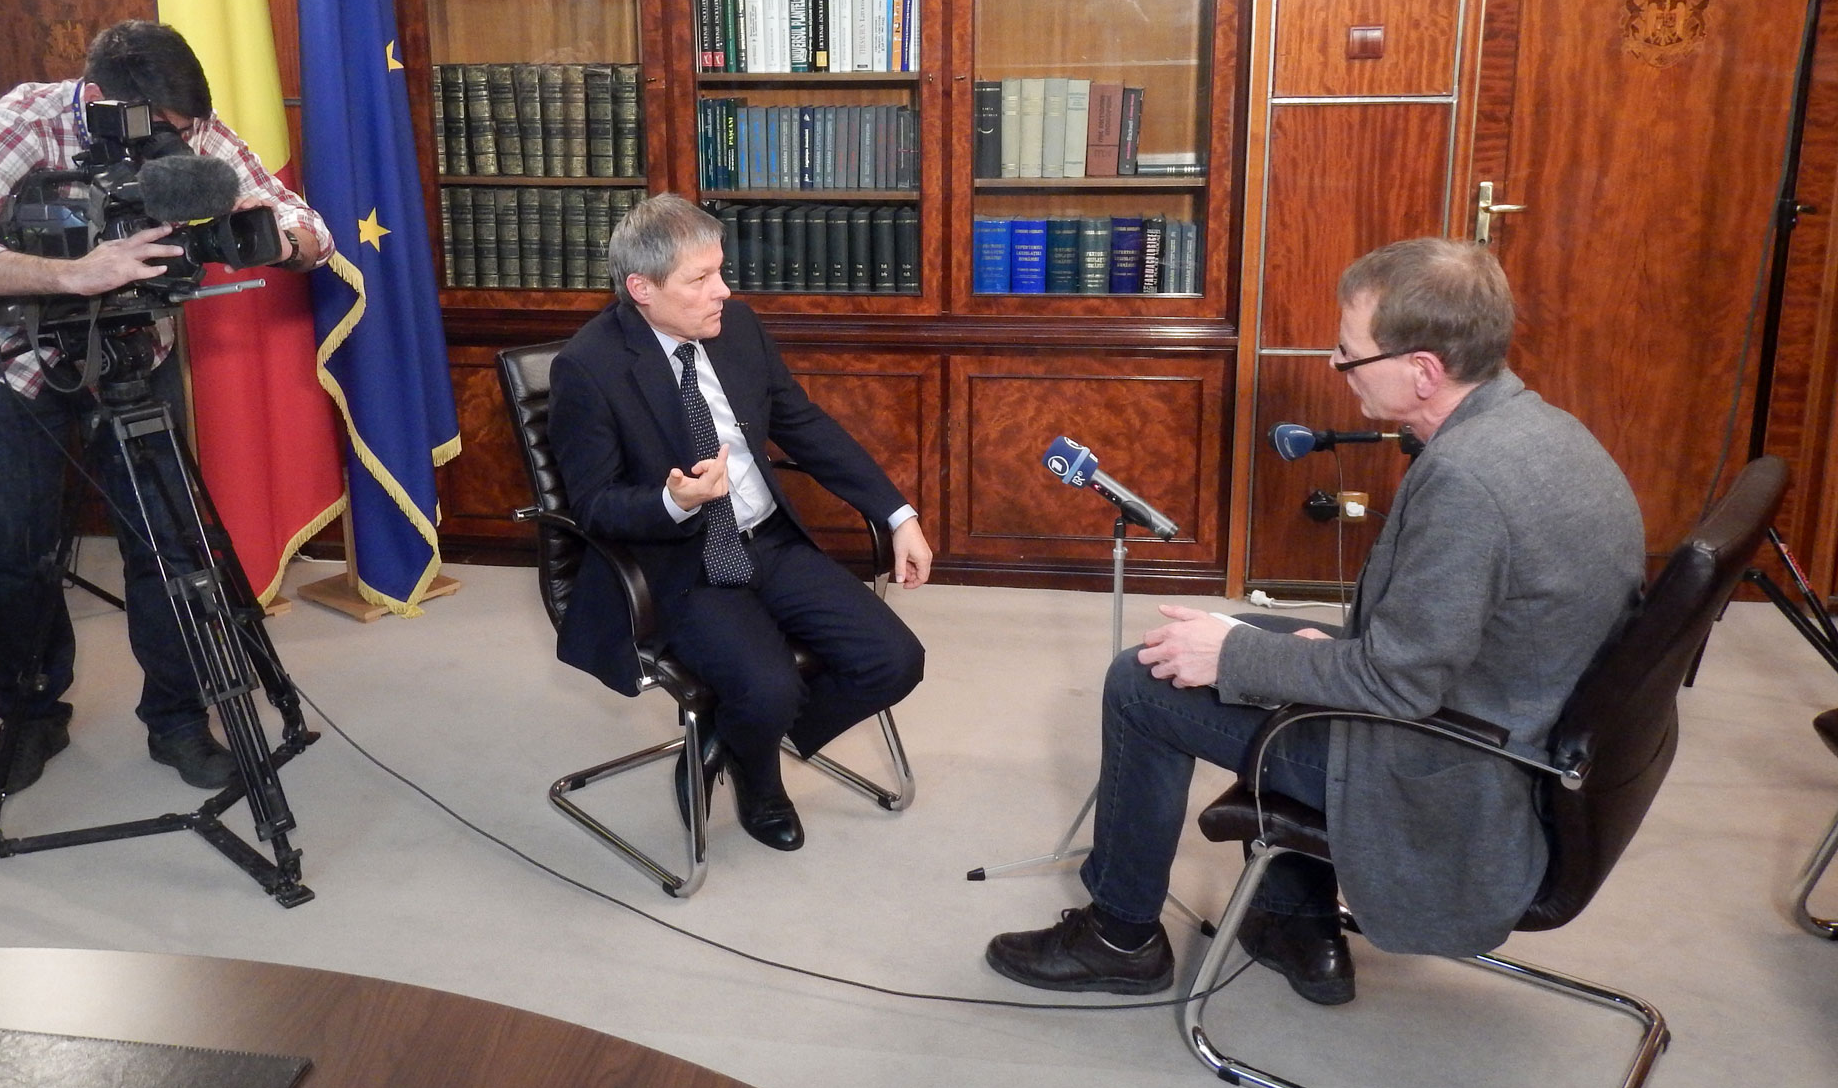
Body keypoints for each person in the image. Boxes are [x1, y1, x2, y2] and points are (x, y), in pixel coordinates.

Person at [986, 238, 1643, 1001]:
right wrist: (1281, 655)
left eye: (1350, 355)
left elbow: (1397, 686)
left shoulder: (1469, 484)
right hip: (1500, 714)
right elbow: (1443, 642)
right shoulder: (1546, 430)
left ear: (1423, 370)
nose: (1337, 368)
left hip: (1455, 769)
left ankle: (1118, 937)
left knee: (1143, 681)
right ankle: (1291, 917)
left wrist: (1244, 662)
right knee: (1235, 638)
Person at [0, 20, 334, 796]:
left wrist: (282, 239)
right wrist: (71, 275)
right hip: (15, 364)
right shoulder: (24, 120)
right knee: (19, 555)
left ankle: (176, 720)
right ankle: (31, 718)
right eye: (162, 130)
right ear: (101, 100)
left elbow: (306, 226)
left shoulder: (191, 128)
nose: (178, 142)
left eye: (186, 128)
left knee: (168, 547)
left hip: (137, 357)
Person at [548, 194, 930, 851]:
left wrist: (897, 513)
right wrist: (676, 503)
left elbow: (803, 426)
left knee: (894, 660)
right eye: (701, 280)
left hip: (768, 540)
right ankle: (761, 779)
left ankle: (732, 736)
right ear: (641, 288)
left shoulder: (739, 329)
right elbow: (592, 504)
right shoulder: (589, 367)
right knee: (768, 685)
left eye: (720, 271)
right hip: (682, 563)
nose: (723, 291)